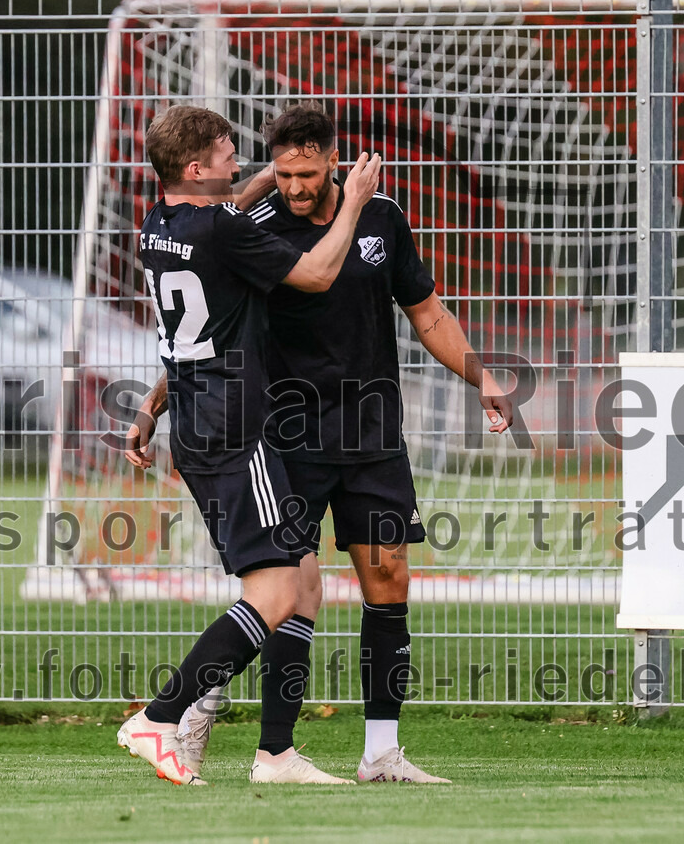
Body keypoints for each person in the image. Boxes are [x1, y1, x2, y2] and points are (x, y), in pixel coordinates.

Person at [127, 102, 511, 784]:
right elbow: (221, 319)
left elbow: (427, 311)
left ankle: (380, 753)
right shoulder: (249, 227)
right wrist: (154, 401)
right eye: (283, 173)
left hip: (370, 433)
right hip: (283, 434)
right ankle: (253, 738)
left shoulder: (381, 220)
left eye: (307, 172)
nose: (295, 185)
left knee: (388, 578)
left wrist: (481, 377)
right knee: (291, 585)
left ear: (334, 161)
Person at [116, 104, 381, 786]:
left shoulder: (160, 224)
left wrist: (151, 404)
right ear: (197, 167)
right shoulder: (224, 229)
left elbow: (223, 217)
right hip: (236, 428)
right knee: (274, 589)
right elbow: (318, 273)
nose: (240, 161)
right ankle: (162, 715)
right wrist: (351, 201)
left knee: (305, 577)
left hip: (196, 421)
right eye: (228, 152)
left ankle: (277, 754)